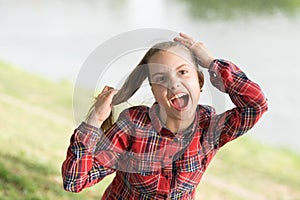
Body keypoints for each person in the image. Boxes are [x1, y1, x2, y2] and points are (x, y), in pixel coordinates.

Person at [61, 32, 268, 199]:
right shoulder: (133, 125)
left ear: (200, 82)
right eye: (161, 78)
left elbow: (255, 105)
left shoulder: (209, 129)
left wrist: (212, 62)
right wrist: (94, 121)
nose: (173, 83)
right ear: (154, 91)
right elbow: (75, 181)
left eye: (182, 72)